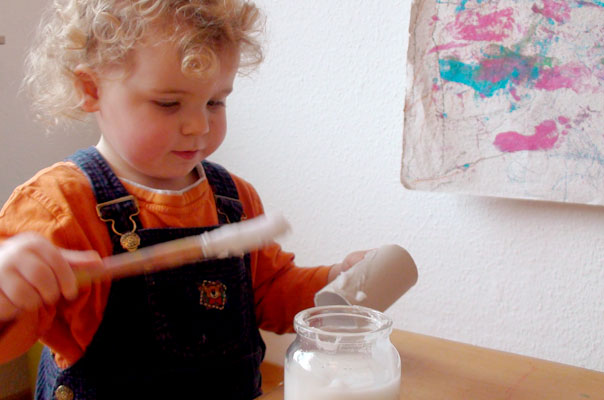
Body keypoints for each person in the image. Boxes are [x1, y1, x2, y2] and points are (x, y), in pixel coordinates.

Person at [0, 1, 365, 398]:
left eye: (215, 101)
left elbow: (270, 291)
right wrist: (7, 294)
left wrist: (334, 284)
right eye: (168, 103)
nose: (199, 126)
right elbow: (10, 340)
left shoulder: (233, 199)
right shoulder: (57, 207)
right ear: (91, 89)